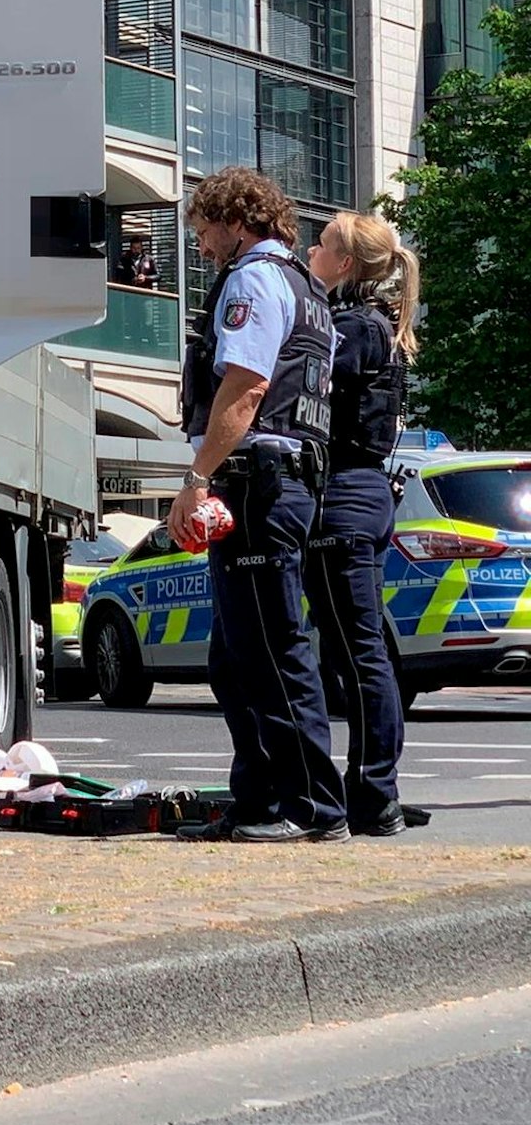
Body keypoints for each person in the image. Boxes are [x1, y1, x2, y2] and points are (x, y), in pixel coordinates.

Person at [170, 168, 346, 843]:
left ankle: (311, 808)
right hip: (285, 481)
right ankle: (259, 801)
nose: (203, 246)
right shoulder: (307, 288)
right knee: (238, 656)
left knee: (271, 652)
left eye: (206, 231)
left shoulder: (252, 280)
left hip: (258, 482)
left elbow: (245, 387)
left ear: (237, 222)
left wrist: (198, 477)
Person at [304, 212, 419, 837]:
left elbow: (306, 391)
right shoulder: (373, 325)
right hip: (363, 494)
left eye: (322, 244)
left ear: (346, 264)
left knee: (357, 654)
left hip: (344, 496)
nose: (310, 250)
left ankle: (375, 795)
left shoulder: (353, 329)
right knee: (361, 651)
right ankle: (375, 791)